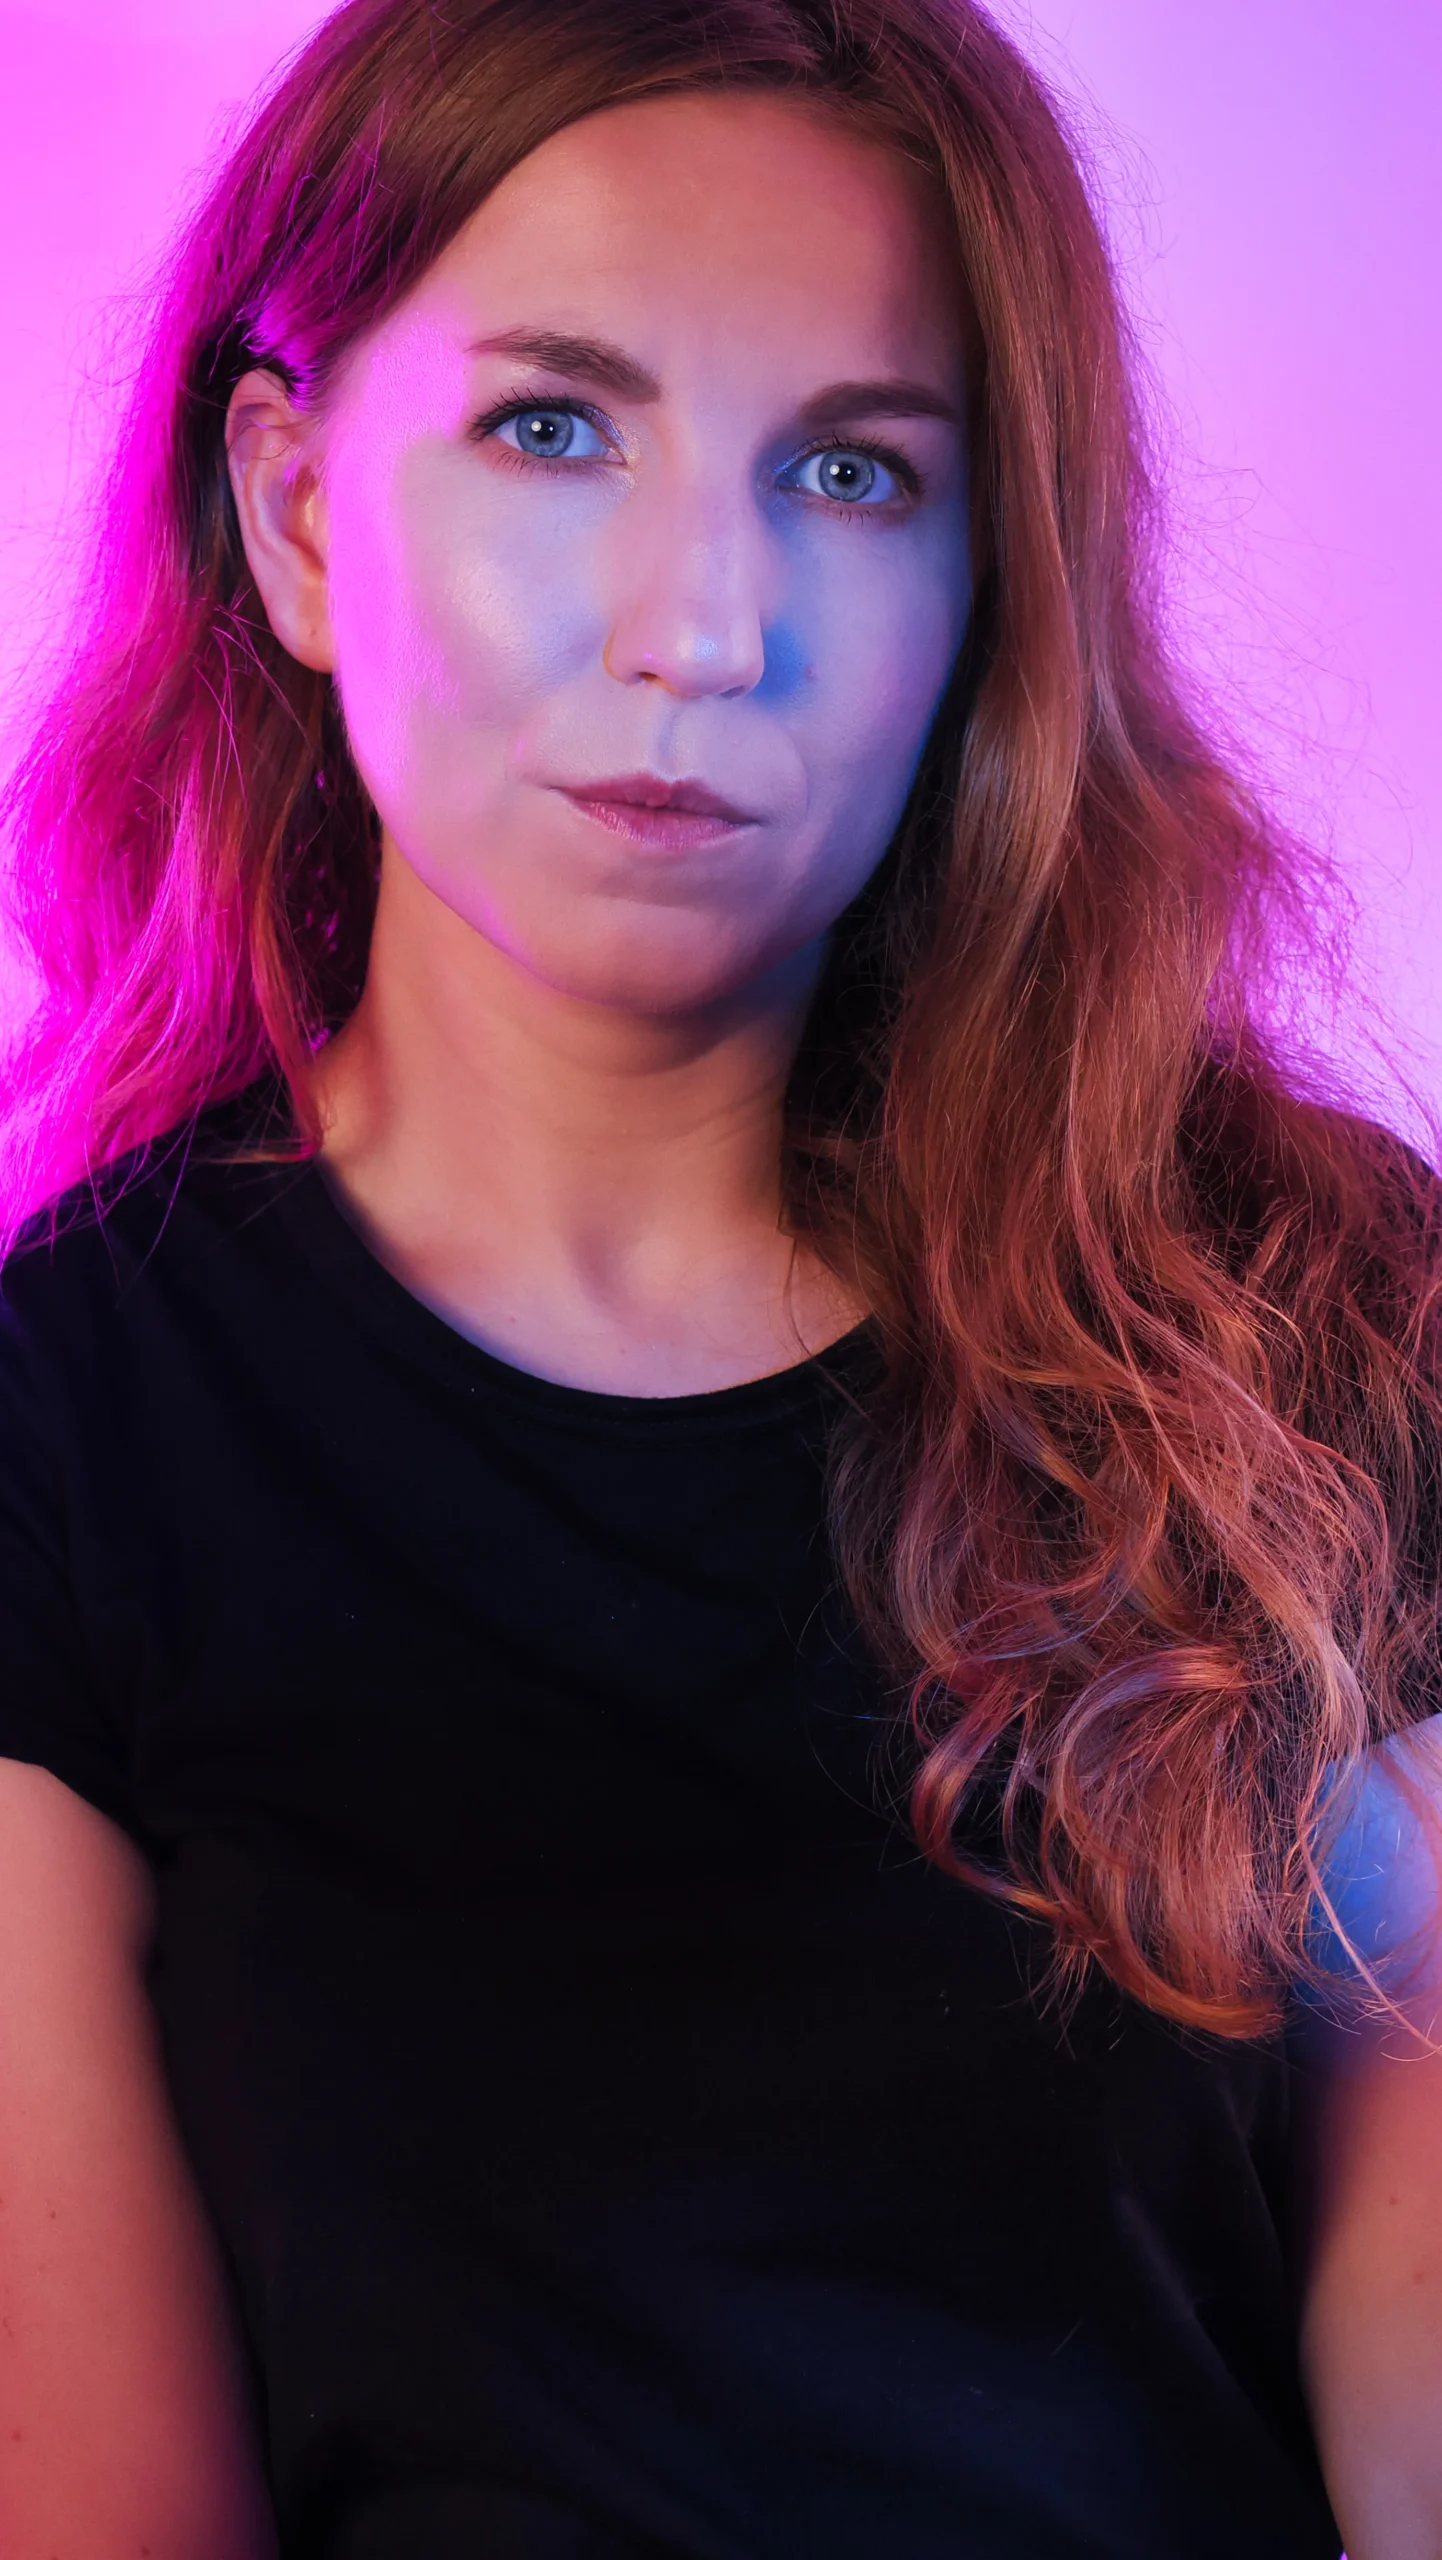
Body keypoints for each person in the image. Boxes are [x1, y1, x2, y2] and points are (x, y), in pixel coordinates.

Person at [0, 0, 1438, 2553]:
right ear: (297, 510)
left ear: (987, 580)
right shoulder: (61, 1423)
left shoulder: (1291, 1317)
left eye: (852, 472)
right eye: (556, 428)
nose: (702, 624)